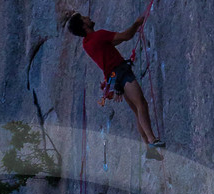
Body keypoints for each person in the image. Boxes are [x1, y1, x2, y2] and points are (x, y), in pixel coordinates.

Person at [65, 13, 162, 153]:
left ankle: (149, 147)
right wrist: (136, 23)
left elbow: (113, 42)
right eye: (85, 18)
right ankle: (152, 141)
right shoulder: (98, 36)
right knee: (141, 103)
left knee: (137, 109)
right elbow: (125, 36)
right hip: (121, 73)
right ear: (84, 25)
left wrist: (132, 31)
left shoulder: (86, 44)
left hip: (114, 77)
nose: (88, 18)